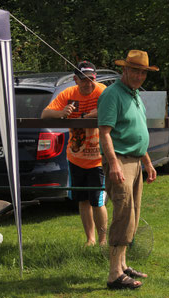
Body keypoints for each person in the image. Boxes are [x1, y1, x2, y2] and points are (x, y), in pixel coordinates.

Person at [97, 50, 158, 290]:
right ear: (124, 70)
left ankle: (122, 265)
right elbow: (105, 133)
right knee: (123, 214)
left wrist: (148, 162)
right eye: (135, 70)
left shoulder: (134, 95)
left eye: (143, 72)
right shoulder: (113, 95)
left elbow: (137, 132)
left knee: (132, 214)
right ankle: (114, 275)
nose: (139, 76)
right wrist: (113, 163)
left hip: (135, 161)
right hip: (120, 161)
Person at [41, 61, 108, 246]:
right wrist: (61, 113)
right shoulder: (68, 94)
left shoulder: (102, 91)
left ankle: (103, 241)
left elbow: (113, 110)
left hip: (97, 159)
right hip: (75, 158)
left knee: (97, 200)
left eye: (91, 79)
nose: (88, 84)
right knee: (83, 200)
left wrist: (89, 116)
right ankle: (90, 239)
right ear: (75, 80)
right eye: (84, 80)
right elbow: (45, 115)